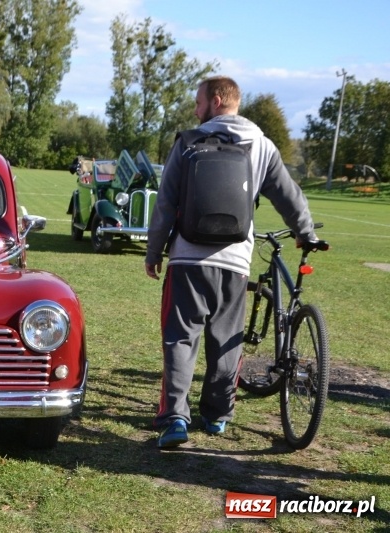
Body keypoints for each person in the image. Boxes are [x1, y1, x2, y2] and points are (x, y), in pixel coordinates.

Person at [144, 76, 318, 449]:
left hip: (187, 260)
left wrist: (154, 250)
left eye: (199, 101)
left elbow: (165, 202)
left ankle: (175, 418)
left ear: (217, 100)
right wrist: (305, 232)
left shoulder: (188, 141)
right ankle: (217, 416)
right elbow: (289, 196)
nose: (195, 109)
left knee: (179, 339)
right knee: (227, 340)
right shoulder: (263, 145)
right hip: (236, 261)